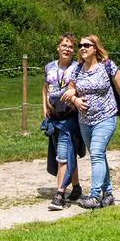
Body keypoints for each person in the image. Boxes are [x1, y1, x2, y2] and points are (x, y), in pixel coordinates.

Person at [61, 34, 120, 209]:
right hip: (85, 120)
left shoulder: (108, 66)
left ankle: (94, 196)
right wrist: (75, 100)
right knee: (99, 155)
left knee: (96, 154)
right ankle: (108, 194)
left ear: (95, 48)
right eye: (80, 45)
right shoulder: (77, 69)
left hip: (106, 117)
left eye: (86, 45)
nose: (82, 48)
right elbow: (70, 89)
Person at [43, 33, 84, 210]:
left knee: (63, 155)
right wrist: (44, 108)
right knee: (67, 153)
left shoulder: (78, 68)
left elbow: (81, 89)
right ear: (58, 48)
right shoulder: (49, 67)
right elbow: (45, 88)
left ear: (74, 51)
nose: (66, 49)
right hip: (54, 118)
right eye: (64, 45)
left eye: (70, 46)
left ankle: (59, 195)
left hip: (70, 117)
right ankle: (76, 188)